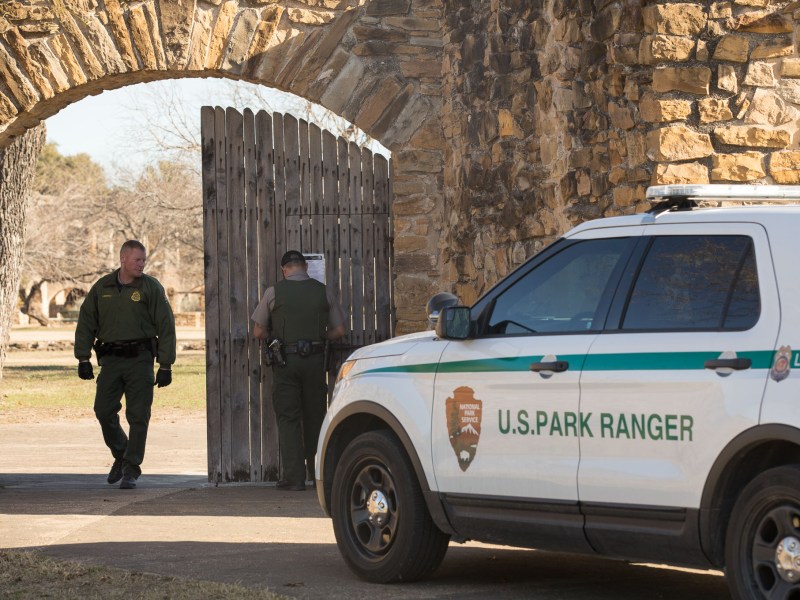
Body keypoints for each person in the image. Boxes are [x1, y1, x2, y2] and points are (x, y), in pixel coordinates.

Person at [74, 240, 176, 490]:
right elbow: (86, 321)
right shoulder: (103, 287)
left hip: (140, 360)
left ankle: (131, 467)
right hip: (110, 361)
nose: (142, 264)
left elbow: (166, 326)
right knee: (103, 410)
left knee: (138, 415)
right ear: (123, 259)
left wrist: (165, 365)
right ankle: (121, 452)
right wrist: (83, 358)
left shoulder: (151, 287)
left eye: (143, 260)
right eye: (137, 260)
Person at [252, 250, 346, 491]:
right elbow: (340, 331)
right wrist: (318, 337)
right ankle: (318, 476)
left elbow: (258, 331)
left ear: (284, 270)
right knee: (316, 415)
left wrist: (278, 336)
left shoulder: (274, 291)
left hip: (286, 362)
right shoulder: (323, 291)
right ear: (305, 267)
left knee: (288, 417)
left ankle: (294, 478)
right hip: (315, 361)